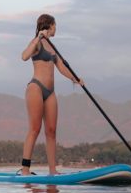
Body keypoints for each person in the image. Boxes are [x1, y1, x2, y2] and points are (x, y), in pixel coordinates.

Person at [19, 13, 83, 175]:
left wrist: (75, 79)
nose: (56, 28)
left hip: (50, 92)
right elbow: (24, 56)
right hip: (36, 88)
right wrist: (37, 38)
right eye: (55, 25)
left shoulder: (53, 47)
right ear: (49, 25)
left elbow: (61, 66)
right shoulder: (37, 43)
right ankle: (25, 169)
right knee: (35, 129)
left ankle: (53, 171)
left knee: (51, 130)